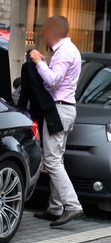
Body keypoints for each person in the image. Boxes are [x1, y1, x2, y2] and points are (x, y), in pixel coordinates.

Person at [29, 16, 84, 227]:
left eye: (45, 31)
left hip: (59, 110)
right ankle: (55, 208)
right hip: (67, 109)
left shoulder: (64, 52)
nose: (43, 35)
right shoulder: (72, 50)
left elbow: (53, 81)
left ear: (53, 32)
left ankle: (72, 205)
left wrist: (39, 62)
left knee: (51, 160)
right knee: (57, 159)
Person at [17, 49, 63, 138]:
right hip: (51, 108)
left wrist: (20, 110)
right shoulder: (46, 68)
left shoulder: (29, 67)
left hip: (38, 108)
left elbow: (24, 93)